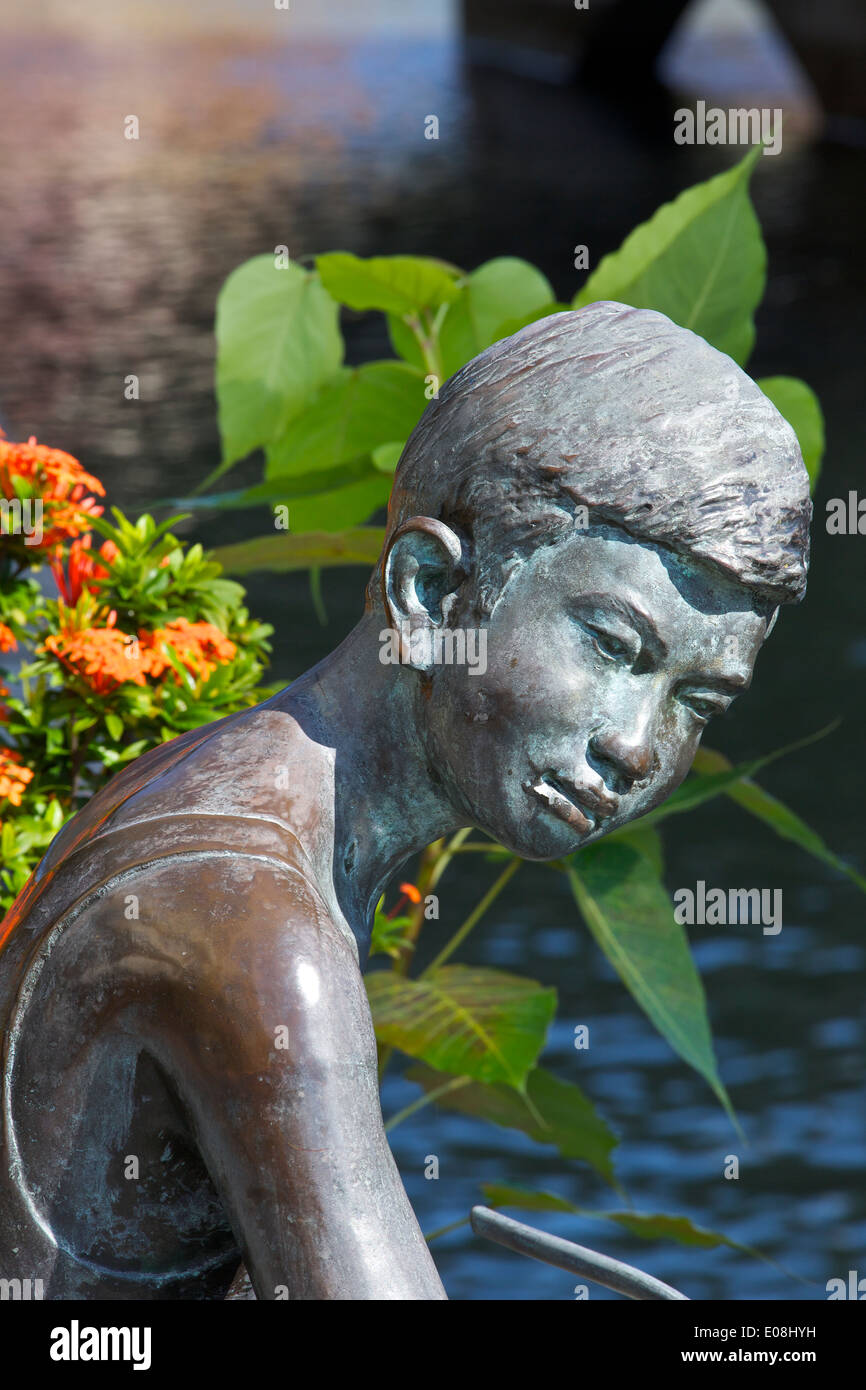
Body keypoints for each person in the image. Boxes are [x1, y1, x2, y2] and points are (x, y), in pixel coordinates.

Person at [0, 302, 811, 1300]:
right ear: (428, 592)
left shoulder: (241, 800)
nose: (636, 743)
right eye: (609, 645)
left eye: (695, 700)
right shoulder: (255, 929)